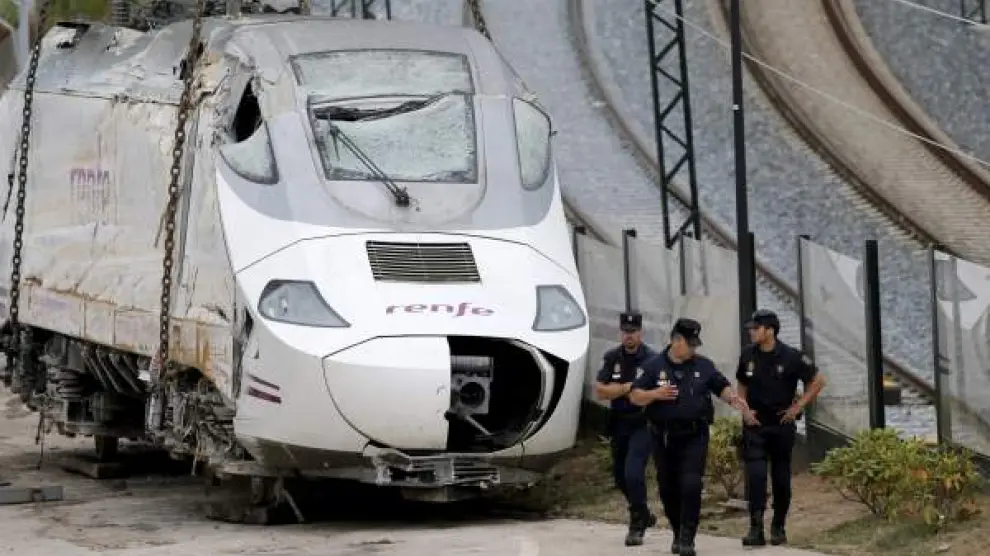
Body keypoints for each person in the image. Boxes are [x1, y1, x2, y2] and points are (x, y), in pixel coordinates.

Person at [628, 318, 752, 556]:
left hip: (695, 435)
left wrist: (733, 399)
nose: (694, 348)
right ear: (676, 341)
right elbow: (635, 396)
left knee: (691, 484)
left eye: (695, 344)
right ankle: (677, 530)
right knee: (667, 488)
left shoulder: (703, 365)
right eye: (690, 343)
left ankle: (687, 537)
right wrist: (655, 394)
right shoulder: (653, 366)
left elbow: (720, 386)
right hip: (663, 437)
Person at [736, 309, 827, 547]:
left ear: (770, 331)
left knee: (781, 477)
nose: (752, 332)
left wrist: (798, 406)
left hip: (781, 423)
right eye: (751, 328)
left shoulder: (791, 356)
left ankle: (778, 525)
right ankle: (755, 527)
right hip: (755, 424)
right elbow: (742, 384)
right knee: (755, 476)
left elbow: (818, 381)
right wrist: (744, 410)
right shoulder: (747, 354)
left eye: (756, 328)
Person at [594, 311, 658, 546]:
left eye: (633, 331)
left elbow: (652, 393)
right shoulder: (612, 357)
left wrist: (618, 388)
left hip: (643, 423)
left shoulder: (652, 359)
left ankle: (636, 524)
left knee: (633, 472)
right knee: (620, 476)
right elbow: (601, 391)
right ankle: (643, 512)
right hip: (619, 422)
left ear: (640, 332)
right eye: (625, 331)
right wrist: (628, 387)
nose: (629, 335)